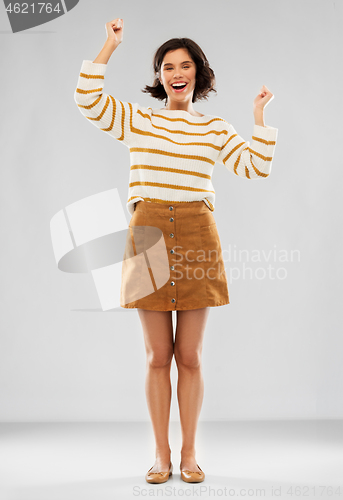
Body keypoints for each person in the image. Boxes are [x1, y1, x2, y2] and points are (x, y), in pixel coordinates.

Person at [74, 18, 278, 484]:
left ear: (197, 74)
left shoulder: (214, 129)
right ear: (160, 76)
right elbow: (87, 101)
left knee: (190, 356)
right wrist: (109, 45)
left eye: (185, 65)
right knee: (155, 356)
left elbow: (255, 168)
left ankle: (189, 454)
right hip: (147, 232)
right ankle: (161, 455)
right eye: (168, 66)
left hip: (197, 233)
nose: (176, 72)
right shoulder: (139, 120)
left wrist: (260, 121)